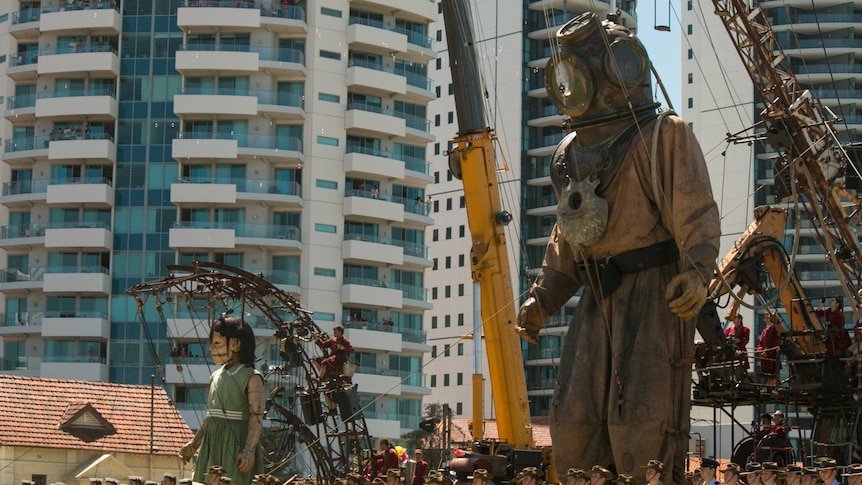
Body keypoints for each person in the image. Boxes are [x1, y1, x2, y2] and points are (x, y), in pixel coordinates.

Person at [515, 12, 721, 484]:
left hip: (653, 295)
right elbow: (567, 236)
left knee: (642, 427)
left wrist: (697, 270)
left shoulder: (663, 136)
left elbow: (695, 212)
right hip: (596, 296)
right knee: (574, 423)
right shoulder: (569, 153)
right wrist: (542, 299)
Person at [179, 317, 265, 485]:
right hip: (211, 443)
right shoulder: (216, 376)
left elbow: (257, 415)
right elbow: (210, 416)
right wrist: (194, 444)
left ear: (235, 344)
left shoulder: (251, 376)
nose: (211, 349)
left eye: (217, 343)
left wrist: (249, 449)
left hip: (236, 444)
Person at [756, 312, 781, 388]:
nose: (765, 320)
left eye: (767, 318)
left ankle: (774, 388)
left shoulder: (775, 329)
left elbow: (775, 342)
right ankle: (769, 387)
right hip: (765, 357)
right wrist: (760, 351)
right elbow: (760, 343)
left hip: (772, 356)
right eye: (765, 318)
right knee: (767, 375)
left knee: (773, 374)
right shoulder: (764, 331)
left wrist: (767, 351)